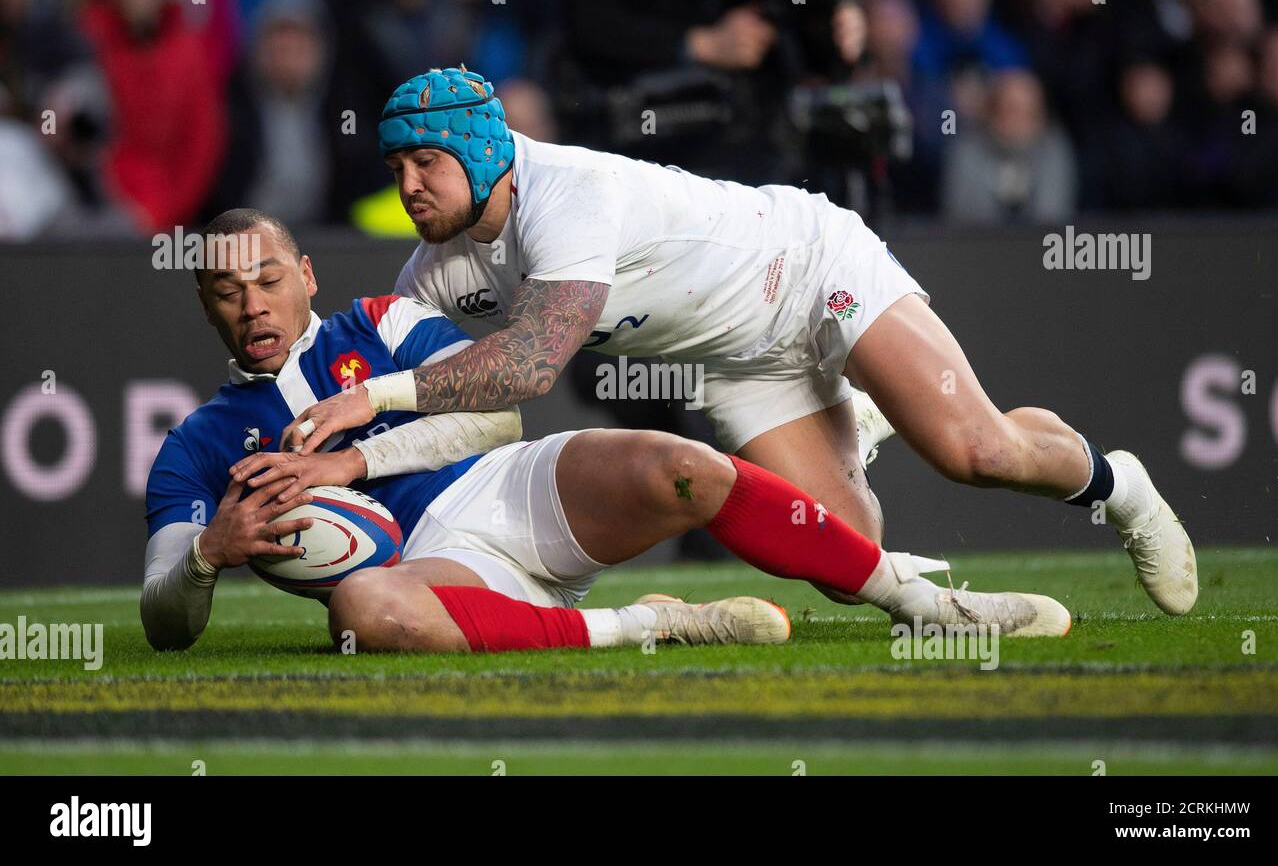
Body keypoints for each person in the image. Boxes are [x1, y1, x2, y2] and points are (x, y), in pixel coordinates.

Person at [282, 67, 1197, 617]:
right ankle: (861, 421)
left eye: (426, 162)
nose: (408, 185)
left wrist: (371, 400)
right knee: (850, 560)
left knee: (977, 451)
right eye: (396, 167)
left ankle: (1122, 487)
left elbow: (526, 365)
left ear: (483, 152)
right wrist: (340, 455)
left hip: (805, 266)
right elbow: (442, 395)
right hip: (738, 360)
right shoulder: (438, 266)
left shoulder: (564, 196)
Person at [141, 208, 1071, 654]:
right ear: (204, 305)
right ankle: (647, 623)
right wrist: (208, 556)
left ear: (304, 273)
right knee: (365, 613)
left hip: (508, 488)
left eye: (267, 278)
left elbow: (498, 413)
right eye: (226, 291)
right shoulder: (198, 445)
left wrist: (359, 453)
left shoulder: (379, 324)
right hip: (431, 573)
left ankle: (922, 603)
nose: (251, 304)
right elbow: (165, 622)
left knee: (685, 467)